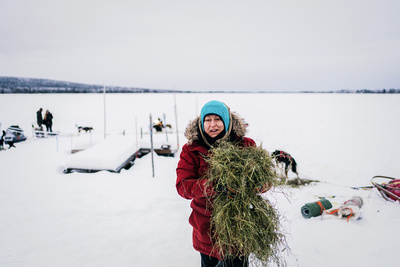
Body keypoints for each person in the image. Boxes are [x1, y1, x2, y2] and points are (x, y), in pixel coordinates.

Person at [176, 100, 256, 267]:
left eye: (218, 119)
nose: (213, 124)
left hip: (239, 226)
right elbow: (183, 186)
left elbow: (263, 184)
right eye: (208, 120)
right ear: (201, 122)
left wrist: (245, 184)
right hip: (206, 230)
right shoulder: (191, 149)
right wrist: (213, 185)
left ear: (226, 121)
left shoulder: (245, 145)